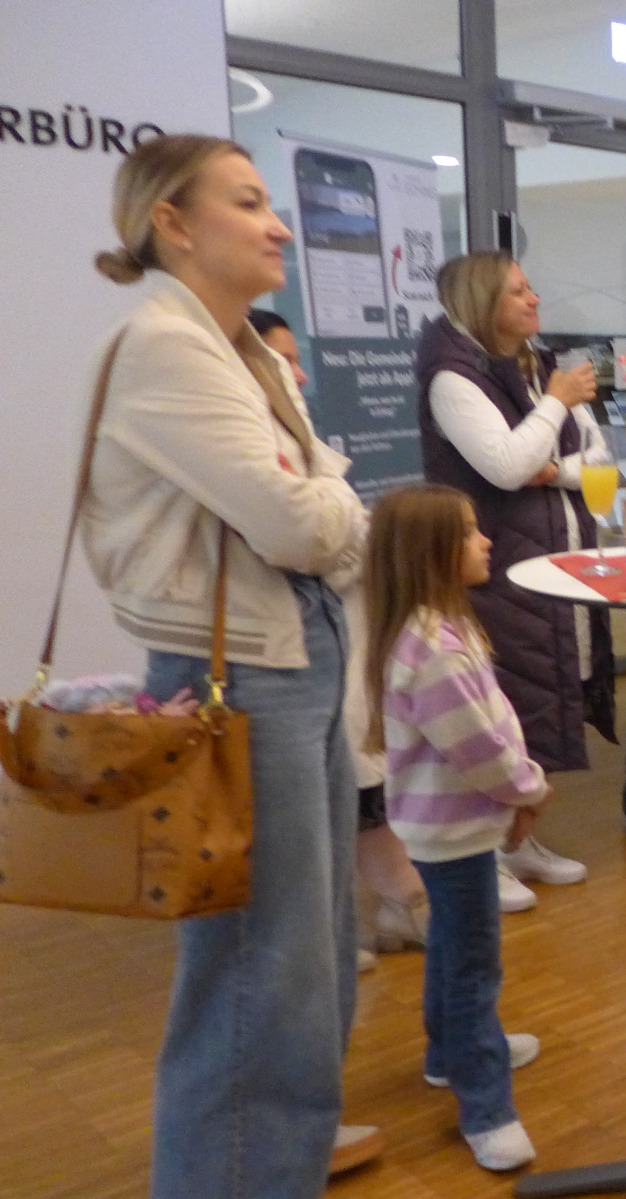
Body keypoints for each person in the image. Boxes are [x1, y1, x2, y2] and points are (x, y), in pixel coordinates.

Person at [85, 133, 370, 1199]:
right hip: (239, 682)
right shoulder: (169, 346)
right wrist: (332, 499)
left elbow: (310, 500)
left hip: (279, 666)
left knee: (302, 975)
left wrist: (321, 498)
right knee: (258, 989)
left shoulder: (234, 345)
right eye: (247, 201)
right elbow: (305, 520)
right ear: (171, 221)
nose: (279, 222)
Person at [416, 252, 610, 902]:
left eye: (531, 287)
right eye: (518, 291)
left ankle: (515, 841)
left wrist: (551, 470)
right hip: (494, 567)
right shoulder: (454, 379)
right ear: (483, 304)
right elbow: (503, 466)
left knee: (531, 705)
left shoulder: (535, 365)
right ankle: (482, 855)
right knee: (492, 709)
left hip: (549, 558)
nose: (534, 299)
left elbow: (598, 459)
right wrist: (553, 407)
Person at [365, 486, 547, 1174]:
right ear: (433, 553)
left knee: (450, 944)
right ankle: (486, 1108)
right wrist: (529, 787)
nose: (486, 541)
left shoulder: (438, 631)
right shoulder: (433, 650)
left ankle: (449, 1053)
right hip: (454, 830)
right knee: (473, 966)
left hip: (443, 827)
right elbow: (478, 750)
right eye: (470, 533)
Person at [249, 310, 434, 975]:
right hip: (292, 655)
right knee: (319, 804)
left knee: (361, 785)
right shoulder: (252, 455)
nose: (299, 376)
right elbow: (316, 547)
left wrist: (357, 535)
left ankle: (394, 901)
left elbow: (340, 537)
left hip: (340, 653)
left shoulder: (297, 446)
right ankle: (361, 916)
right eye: (283, 362)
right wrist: (358, 537)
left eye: (298, 361)